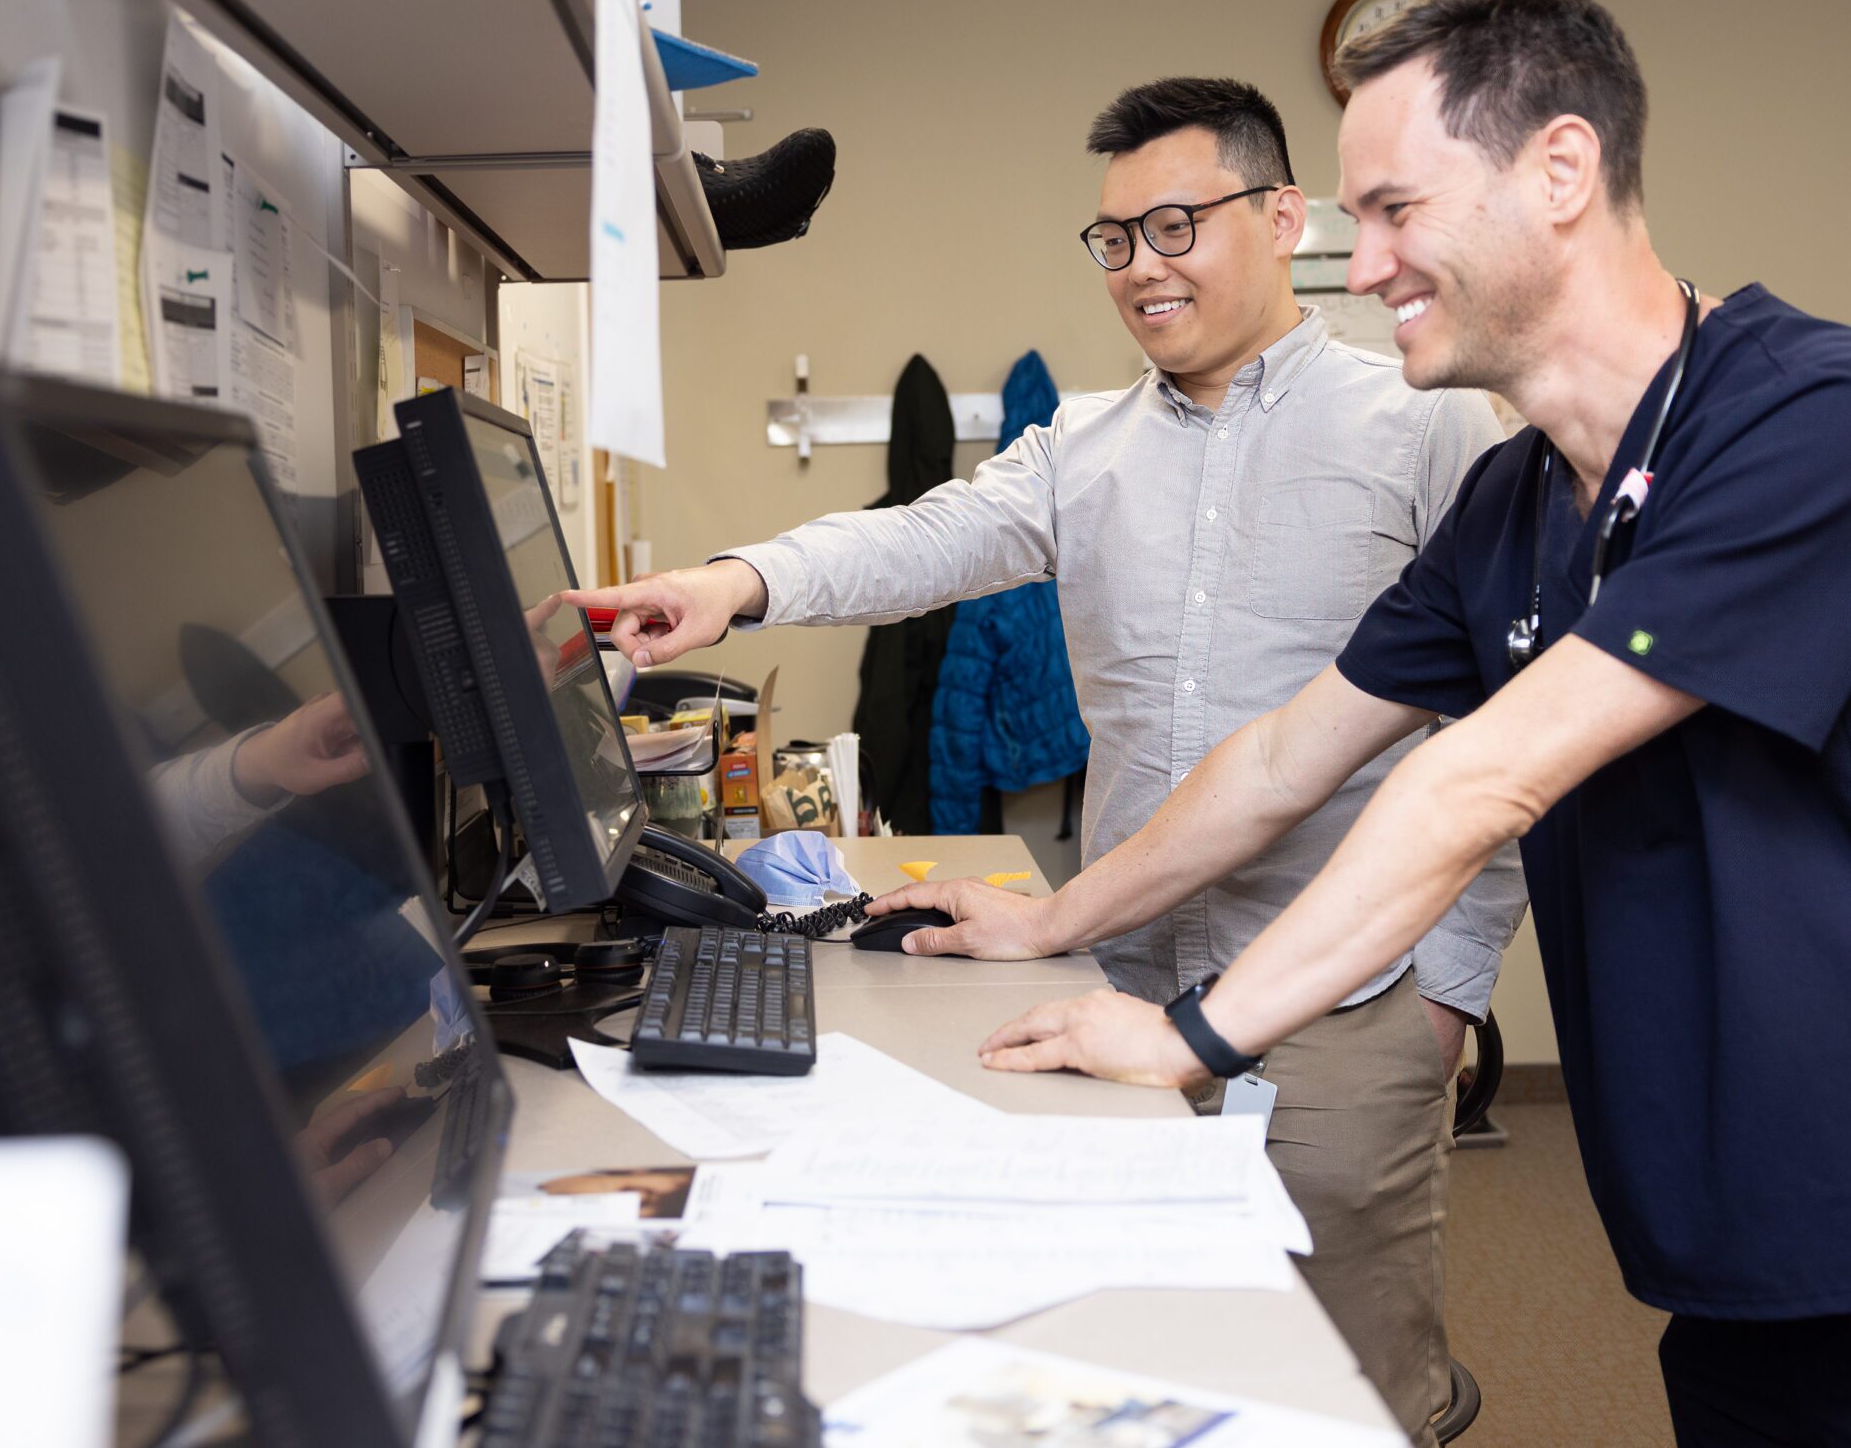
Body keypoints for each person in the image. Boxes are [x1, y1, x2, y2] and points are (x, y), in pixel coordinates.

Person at [912, 0, 1851, 1444]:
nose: (1358, 269)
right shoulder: (1515, 500)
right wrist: (1053, 921)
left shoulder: (1823, 420)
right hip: (1742, 1233)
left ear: (1561, 170)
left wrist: (1191, 1038)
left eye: (1394, 212)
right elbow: (1289, 756)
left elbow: (1475, 783)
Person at [564, 77, 1526, 1439]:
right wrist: (736, 580)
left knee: (1354, 1384)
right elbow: (921, 538)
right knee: (1152, 1355)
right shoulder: (1083, 443)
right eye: (1115, 238)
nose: (1142, 267)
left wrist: (1451, 988)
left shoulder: (1423, 424)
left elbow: (1510, 719)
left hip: (1342, 1006)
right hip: (1119, 982)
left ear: (1283, 216)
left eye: (1178, 225)